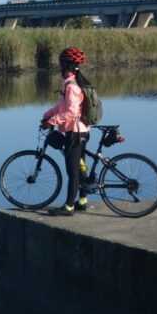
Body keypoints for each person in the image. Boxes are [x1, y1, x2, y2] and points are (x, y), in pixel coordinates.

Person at [41, 47, 91, 216]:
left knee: (72, 171)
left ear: (66, 65)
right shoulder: (71, 83)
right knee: (79, 166)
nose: (59, 67)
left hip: (75, 133)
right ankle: (82, 201)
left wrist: (52, 122)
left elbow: (71, 112)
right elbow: (61, 107)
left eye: (61, 64)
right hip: (80, 131)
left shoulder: (72, 86)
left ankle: (69, 206)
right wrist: (48, 115)